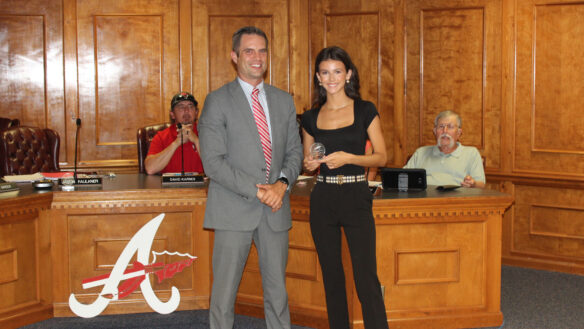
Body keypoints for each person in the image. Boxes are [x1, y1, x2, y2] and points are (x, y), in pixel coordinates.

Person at [198, 26, 303, 329]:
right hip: (234, 208)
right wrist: (260, 191)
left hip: (275, 209)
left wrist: (281, 185)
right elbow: (213, 163)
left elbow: (294, 152)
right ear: (234, 56)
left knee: (277, 294)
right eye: (249, 51)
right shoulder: (217, 101)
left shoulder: (283, 100)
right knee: (224, 295)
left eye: (262, 51)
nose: (257, 58)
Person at [301, 46, 389, 329]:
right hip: (323, 197)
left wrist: (349, 158)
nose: (332, 78)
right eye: (325, 72)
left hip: (356, 195)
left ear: (348, 74)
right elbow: (308, 161)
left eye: (337, 71)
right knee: (332, 277)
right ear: (318, 77)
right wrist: (311, 164)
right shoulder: (310, 117)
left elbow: (382, 157)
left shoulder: (365, 109)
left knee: (366, 278)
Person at [404, 110, 485, 188]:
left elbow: (481, 184)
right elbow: (402, 177)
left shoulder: (471, 153)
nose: (445, 131)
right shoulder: (421, 152)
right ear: (435, 131)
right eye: (441, 126)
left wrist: (473, 184)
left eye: (450, 127)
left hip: (456, 200)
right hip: (424, 199)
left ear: (459, 133)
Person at [144, 92, 204, 175]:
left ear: (196, 112)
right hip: (170, 187)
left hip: (202, 187)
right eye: (181, 107)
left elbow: (217, 167)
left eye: (190, 106)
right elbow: (150, 169)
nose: (186, 110)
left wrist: (196, 141)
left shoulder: (207, 134)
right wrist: (177, 143)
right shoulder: (161, 137)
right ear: (172, 114)